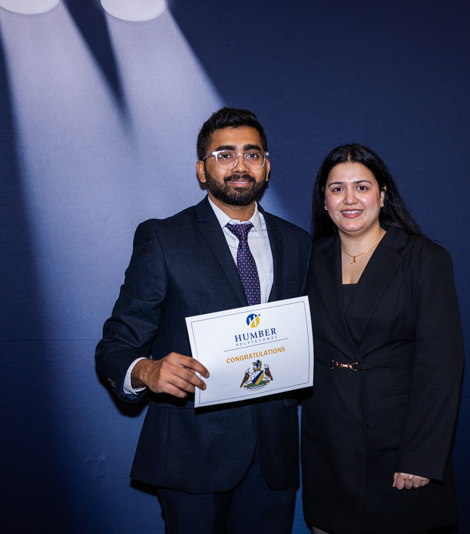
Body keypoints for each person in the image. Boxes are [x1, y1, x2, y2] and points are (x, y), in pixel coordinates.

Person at [95, 108, 311, 534]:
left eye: (252, 154)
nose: (239, 165)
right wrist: (145, 370)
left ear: (266, 167)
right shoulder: (163, 238)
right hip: (192, 456)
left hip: (274, 458)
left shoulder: (299, 242)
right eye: (224, 154)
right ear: (202, 169)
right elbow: (116, 344)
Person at [301, 144, 465, 534]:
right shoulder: (306, 261)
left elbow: (442, 364)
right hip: (328, 448)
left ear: (383, 193)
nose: (350, 199)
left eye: (362, 186)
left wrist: (422, 457)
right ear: (324, 201)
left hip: (399, 451)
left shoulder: (424, 258)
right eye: (337, 189)